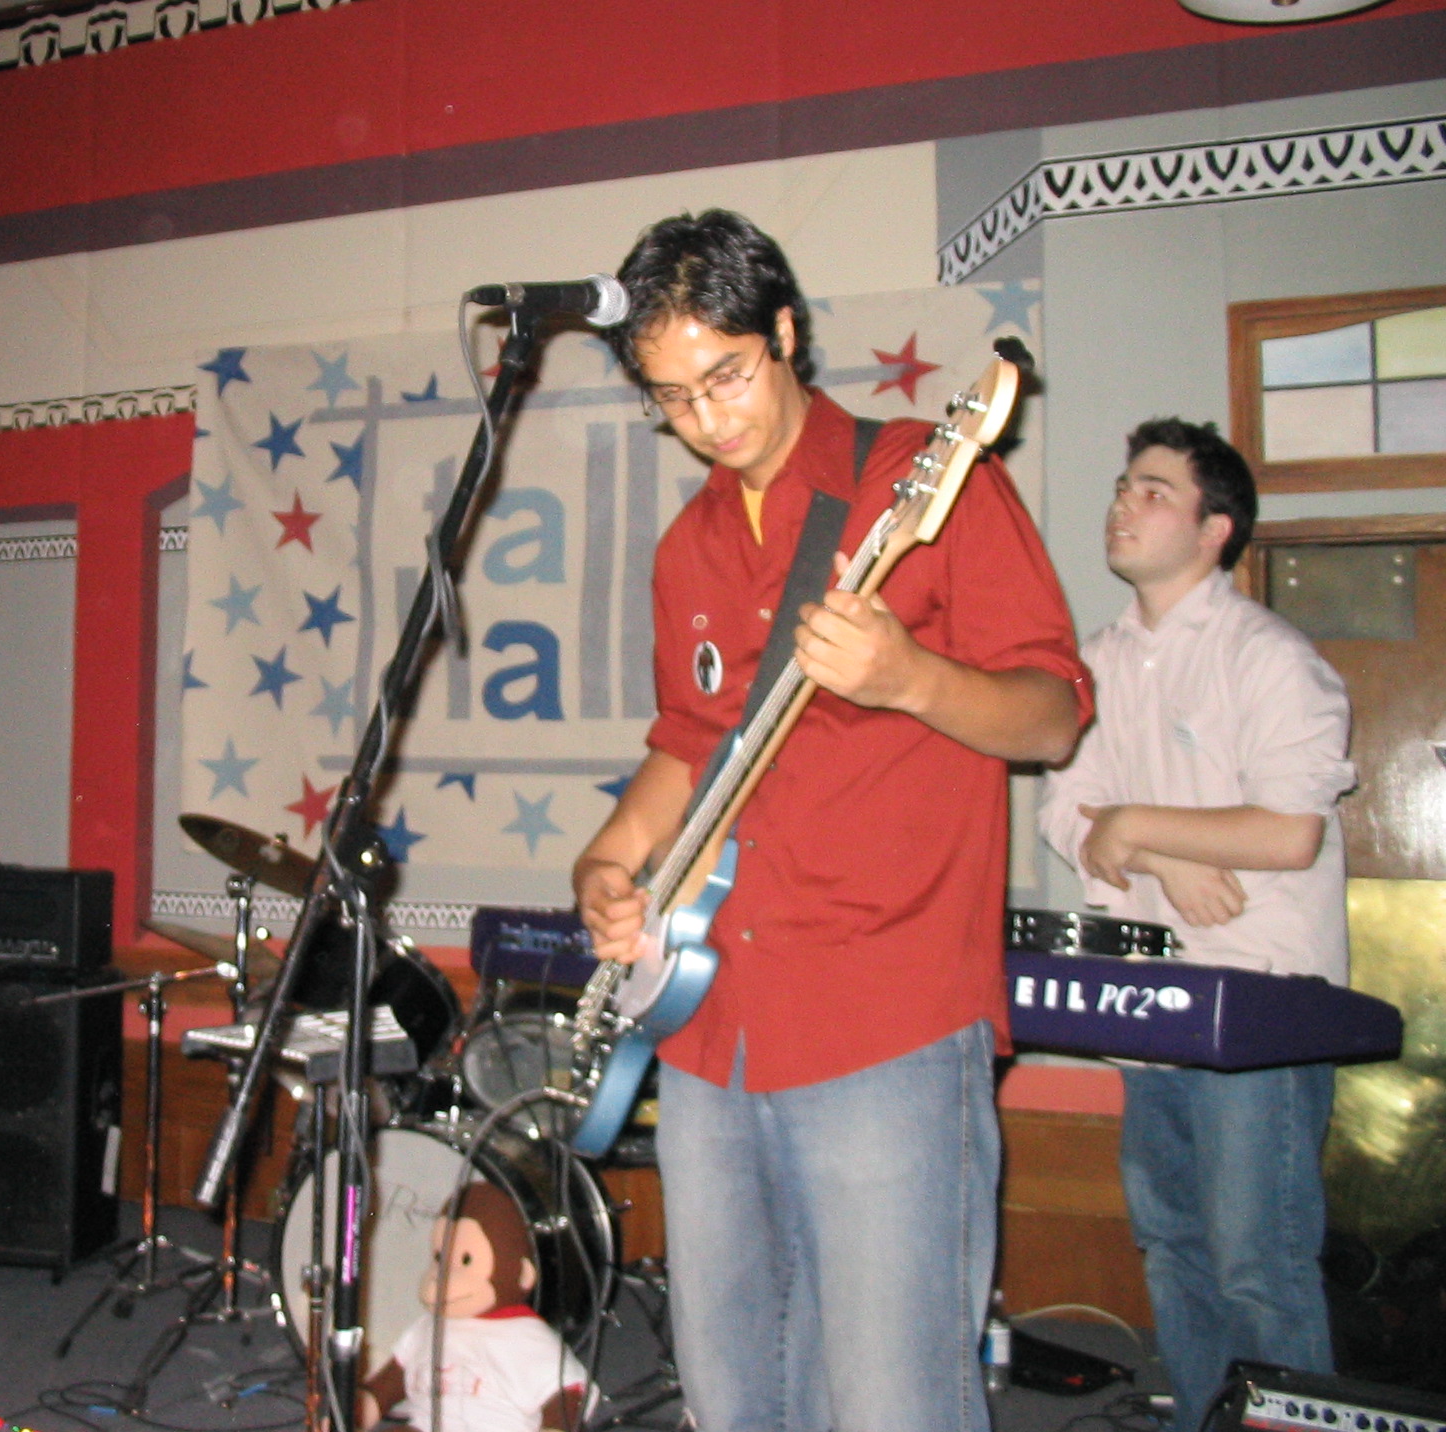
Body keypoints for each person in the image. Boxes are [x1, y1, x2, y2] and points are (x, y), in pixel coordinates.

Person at [573, 209, 1088, 1432]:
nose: (706, 420)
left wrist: (909, 677)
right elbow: (687, 741)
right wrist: (608, 857)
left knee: (889, 1398)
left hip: (884, 1010)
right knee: (732, 1389)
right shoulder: (688, 546)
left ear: (785, 332)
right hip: (708, 1025)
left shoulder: (922, 477)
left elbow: (1052, 717)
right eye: (671, 399)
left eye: (725, 376)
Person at [1040, 418, 1353, 1428]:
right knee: (1173, 1248)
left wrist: (1132, 825)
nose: (1121, 505)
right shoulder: (1096, 660)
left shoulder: (1268, 657)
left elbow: (1288, 833)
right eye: (1120, 485)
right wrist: (1160, 851)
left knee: (1258, 1262)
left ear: (1215, 528)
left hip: (1260, 1004)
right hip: (1152, 1006)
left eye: (1153, 490)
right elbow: (1065, 814)